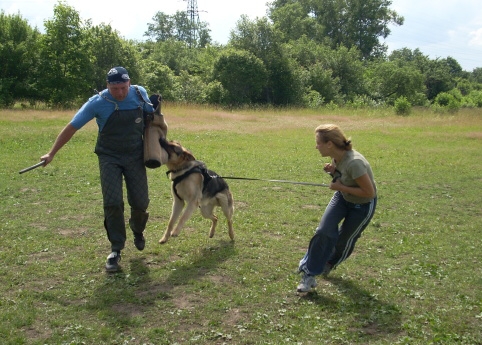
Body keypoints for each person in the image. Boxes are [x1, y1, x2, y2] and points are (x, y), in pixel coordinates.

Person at [40, 66, 166, 272]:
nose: (120, 93)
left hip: (135, 156)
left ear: (129, 83)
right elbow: (72, 127)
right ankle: (116, 248)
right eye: (115, 88)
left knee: (140, 202)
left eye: (124, 87)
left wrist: (159, 144)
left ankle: (137, 230)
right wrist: (51, 153)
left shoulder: (138, 93)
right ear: (107, 86)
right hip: (109, 157)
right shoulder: (97, 102)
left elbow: (152, 120)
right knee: (113, 202)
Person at [297, 124, 377, 292]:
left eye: (318, 142)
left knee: (343, 241)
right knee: (324, 231)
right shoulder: (337, 158)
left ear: (329, 144)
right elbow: (344, 177)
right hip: (342, 198)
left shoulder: (355, 162)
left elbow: (369, 192)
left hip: (361, 206)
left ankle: (329, 263)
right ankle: (309, 272)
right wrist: (333, 172)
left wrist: (340, 187)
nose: (316, 146)